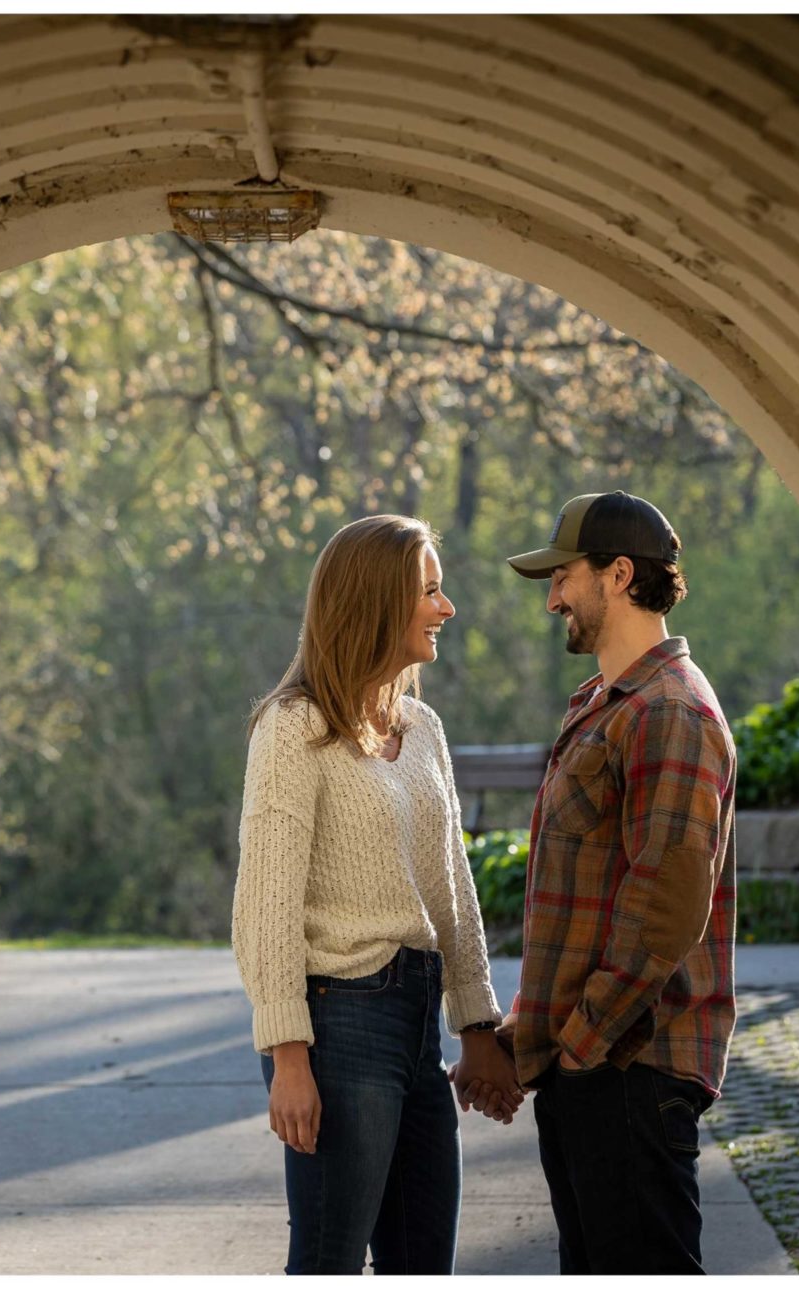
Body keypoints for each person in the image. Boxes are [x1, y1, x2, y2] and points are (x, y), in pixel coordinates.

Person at [231, 513, 526, 1275]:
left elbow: (451, 885)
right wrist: (287, 1057)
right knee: (328, 1261)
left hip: (415, 1021)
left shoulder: (422, 728)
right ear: (376, 601)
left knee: (423, 1261)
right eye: (430, 590)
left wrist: (478, 1025)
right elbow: (266, 905)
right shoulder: (293, 729)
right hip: (339, 1023)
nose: (446, 607)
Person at [464, 491, 738, 1274]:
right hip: (593, 1070)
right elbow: (585, 906)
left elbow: (664, 908)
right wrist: (529, 1038)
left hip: (630, 1072)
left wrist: (579, 1040)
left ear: (618, 575)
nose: (552, 597)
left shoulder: (671, 711)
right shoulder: (603, 704)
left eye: (564, 577)